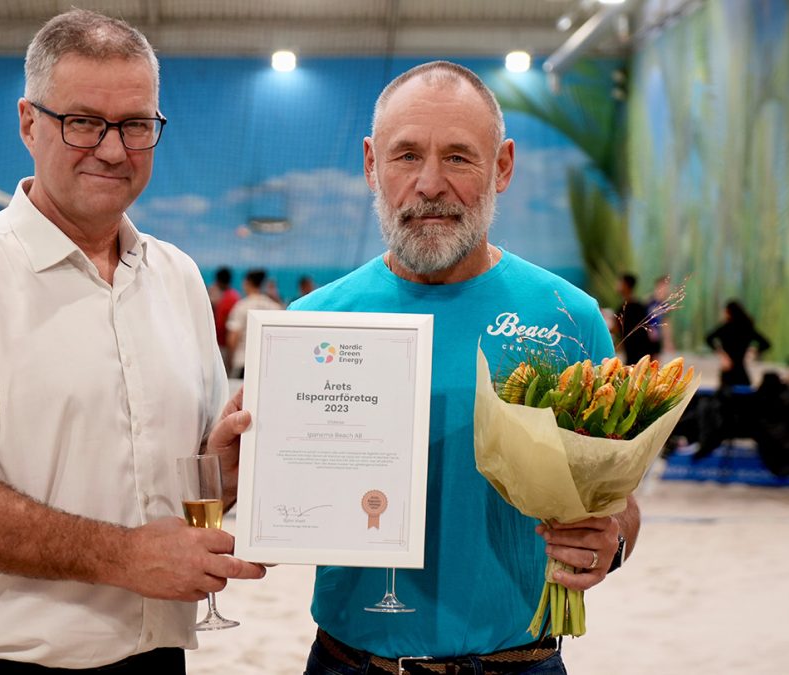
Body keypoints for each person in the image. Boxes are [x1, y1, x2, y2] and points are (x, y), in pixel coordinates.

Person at [0, 9, 264, 674]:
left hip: (153, 654)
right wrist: (128, 555)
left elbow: (174, 484)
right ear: (28, 122)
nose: (113, 148)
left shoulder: (177, 276)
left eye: (137, 125)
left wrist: (222, 472)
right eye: (82, 121)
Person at [285, 61, 639, 674]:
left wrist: (614, 541)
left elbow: (620, 499)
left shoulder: (568, 315)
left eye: (458, 157)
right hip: (351, 662)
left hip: (519, 662)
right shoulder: (312, 322)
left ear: (502, 166)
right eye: (405, 157)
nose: (429, 184)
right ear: (371, 163)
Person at [225, 268, 283, 378]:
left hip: (244, 362)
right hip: (268, 364)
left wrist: (229, 361)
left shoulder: (241, 306)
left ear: (247, 283)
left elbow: (232, 339)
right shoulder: (274, 306)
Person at [705, 299, 771, 390]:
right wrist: (753, 351)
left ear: (729, 312)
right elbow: (766, 344)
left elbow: (708, 338)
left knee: (726, 396)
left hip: (728, 368)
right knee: (744, 395)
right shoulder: (747, 327)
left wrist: (722, 354)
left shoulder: (726, 327)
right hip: (740, 369)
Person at [615, 272, 653, 365]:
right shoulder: (636, 306)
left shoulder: (633, 307)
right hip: (632, 352)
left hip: (637, 352)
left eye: (620, 282)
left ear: (626, 285)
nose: (617, 285)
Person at [209, 267, 240, 373]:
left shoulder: (227, 299)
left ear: (218, 281)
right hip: (225, 343)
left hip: (224, 344)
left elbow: (224, 324)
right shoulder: (234, 296)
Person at [646, 274, 674, 357]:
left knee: (656, 361)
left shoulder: (665, 304)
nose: (666, 289)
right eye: (664, 286)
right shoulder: (649, 301)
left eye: (667, 286)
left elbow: (666, 323)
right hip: (646, 337)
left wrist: (668, 341)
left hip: (656, 338)